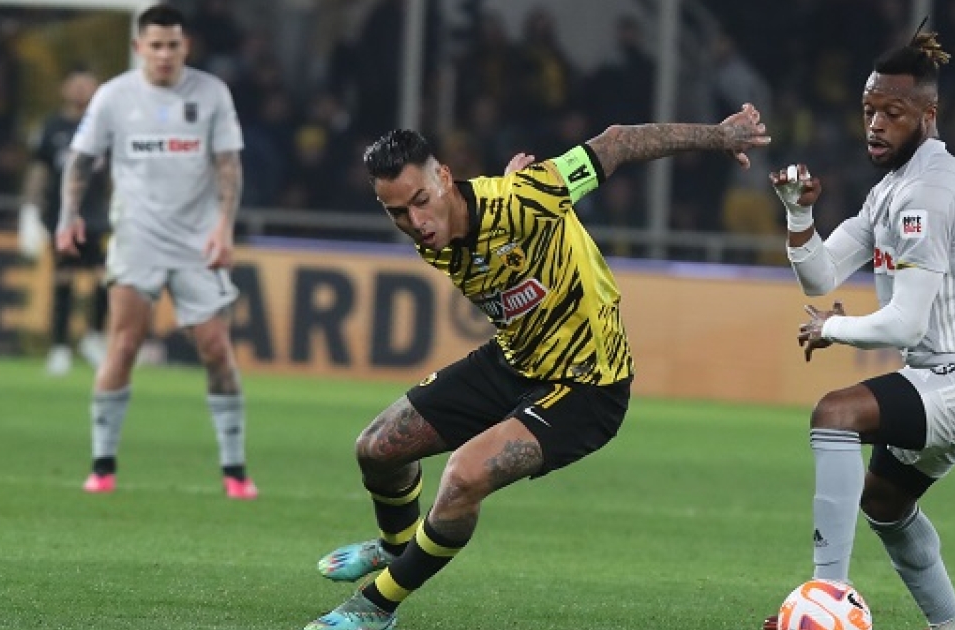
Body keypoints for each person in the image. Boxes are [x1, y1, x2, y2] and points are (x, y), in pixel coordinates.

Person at [304, 107, 771, 630]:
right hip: (514, 360)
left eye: (420, 201)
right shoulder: (437, 230)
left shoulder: (524, 198)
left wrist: (719, 136)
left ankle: (376, 605)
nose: (416, 222)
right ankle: (396, 547)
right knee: (377, 448)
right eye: (398, 212)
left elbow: (617, 142)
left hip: (587, 384)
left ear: (444, 178)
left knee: (463, 477)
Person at [762, 32, 955, 630]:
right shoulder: (892, 190)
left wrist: (835, 328)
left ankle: (825, 602)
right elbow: (821, 275)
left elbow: (905, 321)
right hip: (947, 373)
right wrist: (799, 214)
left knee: (836, 414)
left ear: (928, 116)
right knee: (884, 501)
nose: (876, 125)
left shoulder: (927, 194)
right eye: (869, 111)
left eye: (893, 113)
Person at [56, 4, 258, 500]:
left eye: (173, 45)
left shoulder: (211, 92)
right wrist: (68, 215)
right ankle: (102, 465)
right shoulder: (114, 96)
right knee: (124, 344)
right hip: (137, 237)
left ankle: (234, 470)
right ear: (138, 47)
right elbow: (80, 159)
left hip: (197, 241)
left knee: (216, 349)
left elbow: (228, 165)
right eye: (156, 45)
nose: (165, 54)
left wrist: (224, 228)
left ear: (185, 46)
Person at [19, 68, 110, 376]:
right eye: (77, 84)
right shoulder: (51, 127)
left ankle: (94, 336)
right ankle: (59, 348)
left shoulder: (105, 127)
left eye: (88, 84)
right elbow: (39, 170)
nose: (82, 90)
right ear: (64, 88)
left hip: (97, 216)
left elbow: (117, 173)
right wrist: (29, 211)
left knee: (105, 277)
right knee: (63, 279)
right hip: (62, 217)